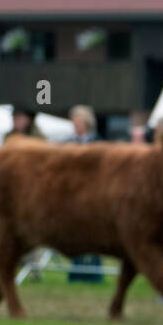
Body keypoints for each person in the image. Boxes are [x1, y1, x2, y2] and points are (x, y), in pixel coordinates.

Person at [66, 104, 104, 283]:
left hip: (94, 196)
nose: (75, 125)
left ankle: (94, 273)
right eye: (74, 122)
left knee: (95, 234)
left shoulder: (98, 143)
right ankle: (76, 272)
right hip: (73, 197)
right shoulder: (68, 144)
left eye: (79, 122)